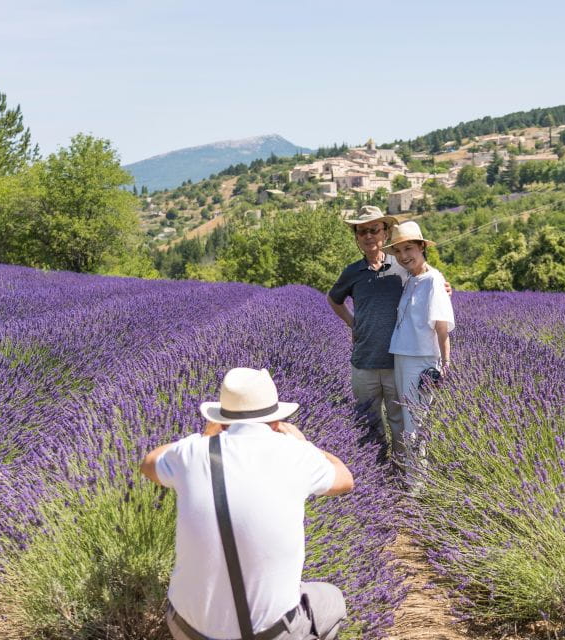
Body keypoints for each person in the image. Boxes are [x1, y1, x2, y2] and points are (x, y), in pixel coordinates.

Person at [140, 367, 354, 640]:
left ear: (223, 421)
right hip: (271, 634)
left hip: (188, 630)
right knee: (331, 599)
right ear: (276, 422)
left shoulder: (193, 452)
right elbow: (345, 479)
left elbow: (148, 464)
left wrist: (204, 439)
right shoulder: (296, 455)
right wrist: (306, 444)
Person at [326, 205, 407, 462]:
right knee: (369, 423)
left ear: (386, 232)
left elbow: (427, 282)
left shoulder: (401, 267)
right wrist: (352, 323)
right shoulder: (352, 272)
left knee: (401, 424)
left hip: (399, 361)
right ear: (357, 237)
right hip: (364, 362)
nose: (368, 236)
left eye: (374, 230)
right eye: (362, 232)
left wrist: (443, 287)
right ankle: (378, 476)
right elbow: (334, 298)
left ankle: (404, 474)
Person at [384, 221, 454, 451]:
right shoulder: (410, 279)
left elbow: (442, 328)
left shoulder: (433, 280)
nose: (403, 256)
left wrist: (446, 364)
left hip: (421, 359)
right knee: (408, 421)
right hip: (402, 357)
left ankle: (416, 484)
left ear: (422, 247)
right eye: (398, 251)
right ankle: (410, 476)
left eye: (409, 248)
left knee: (416, 425)